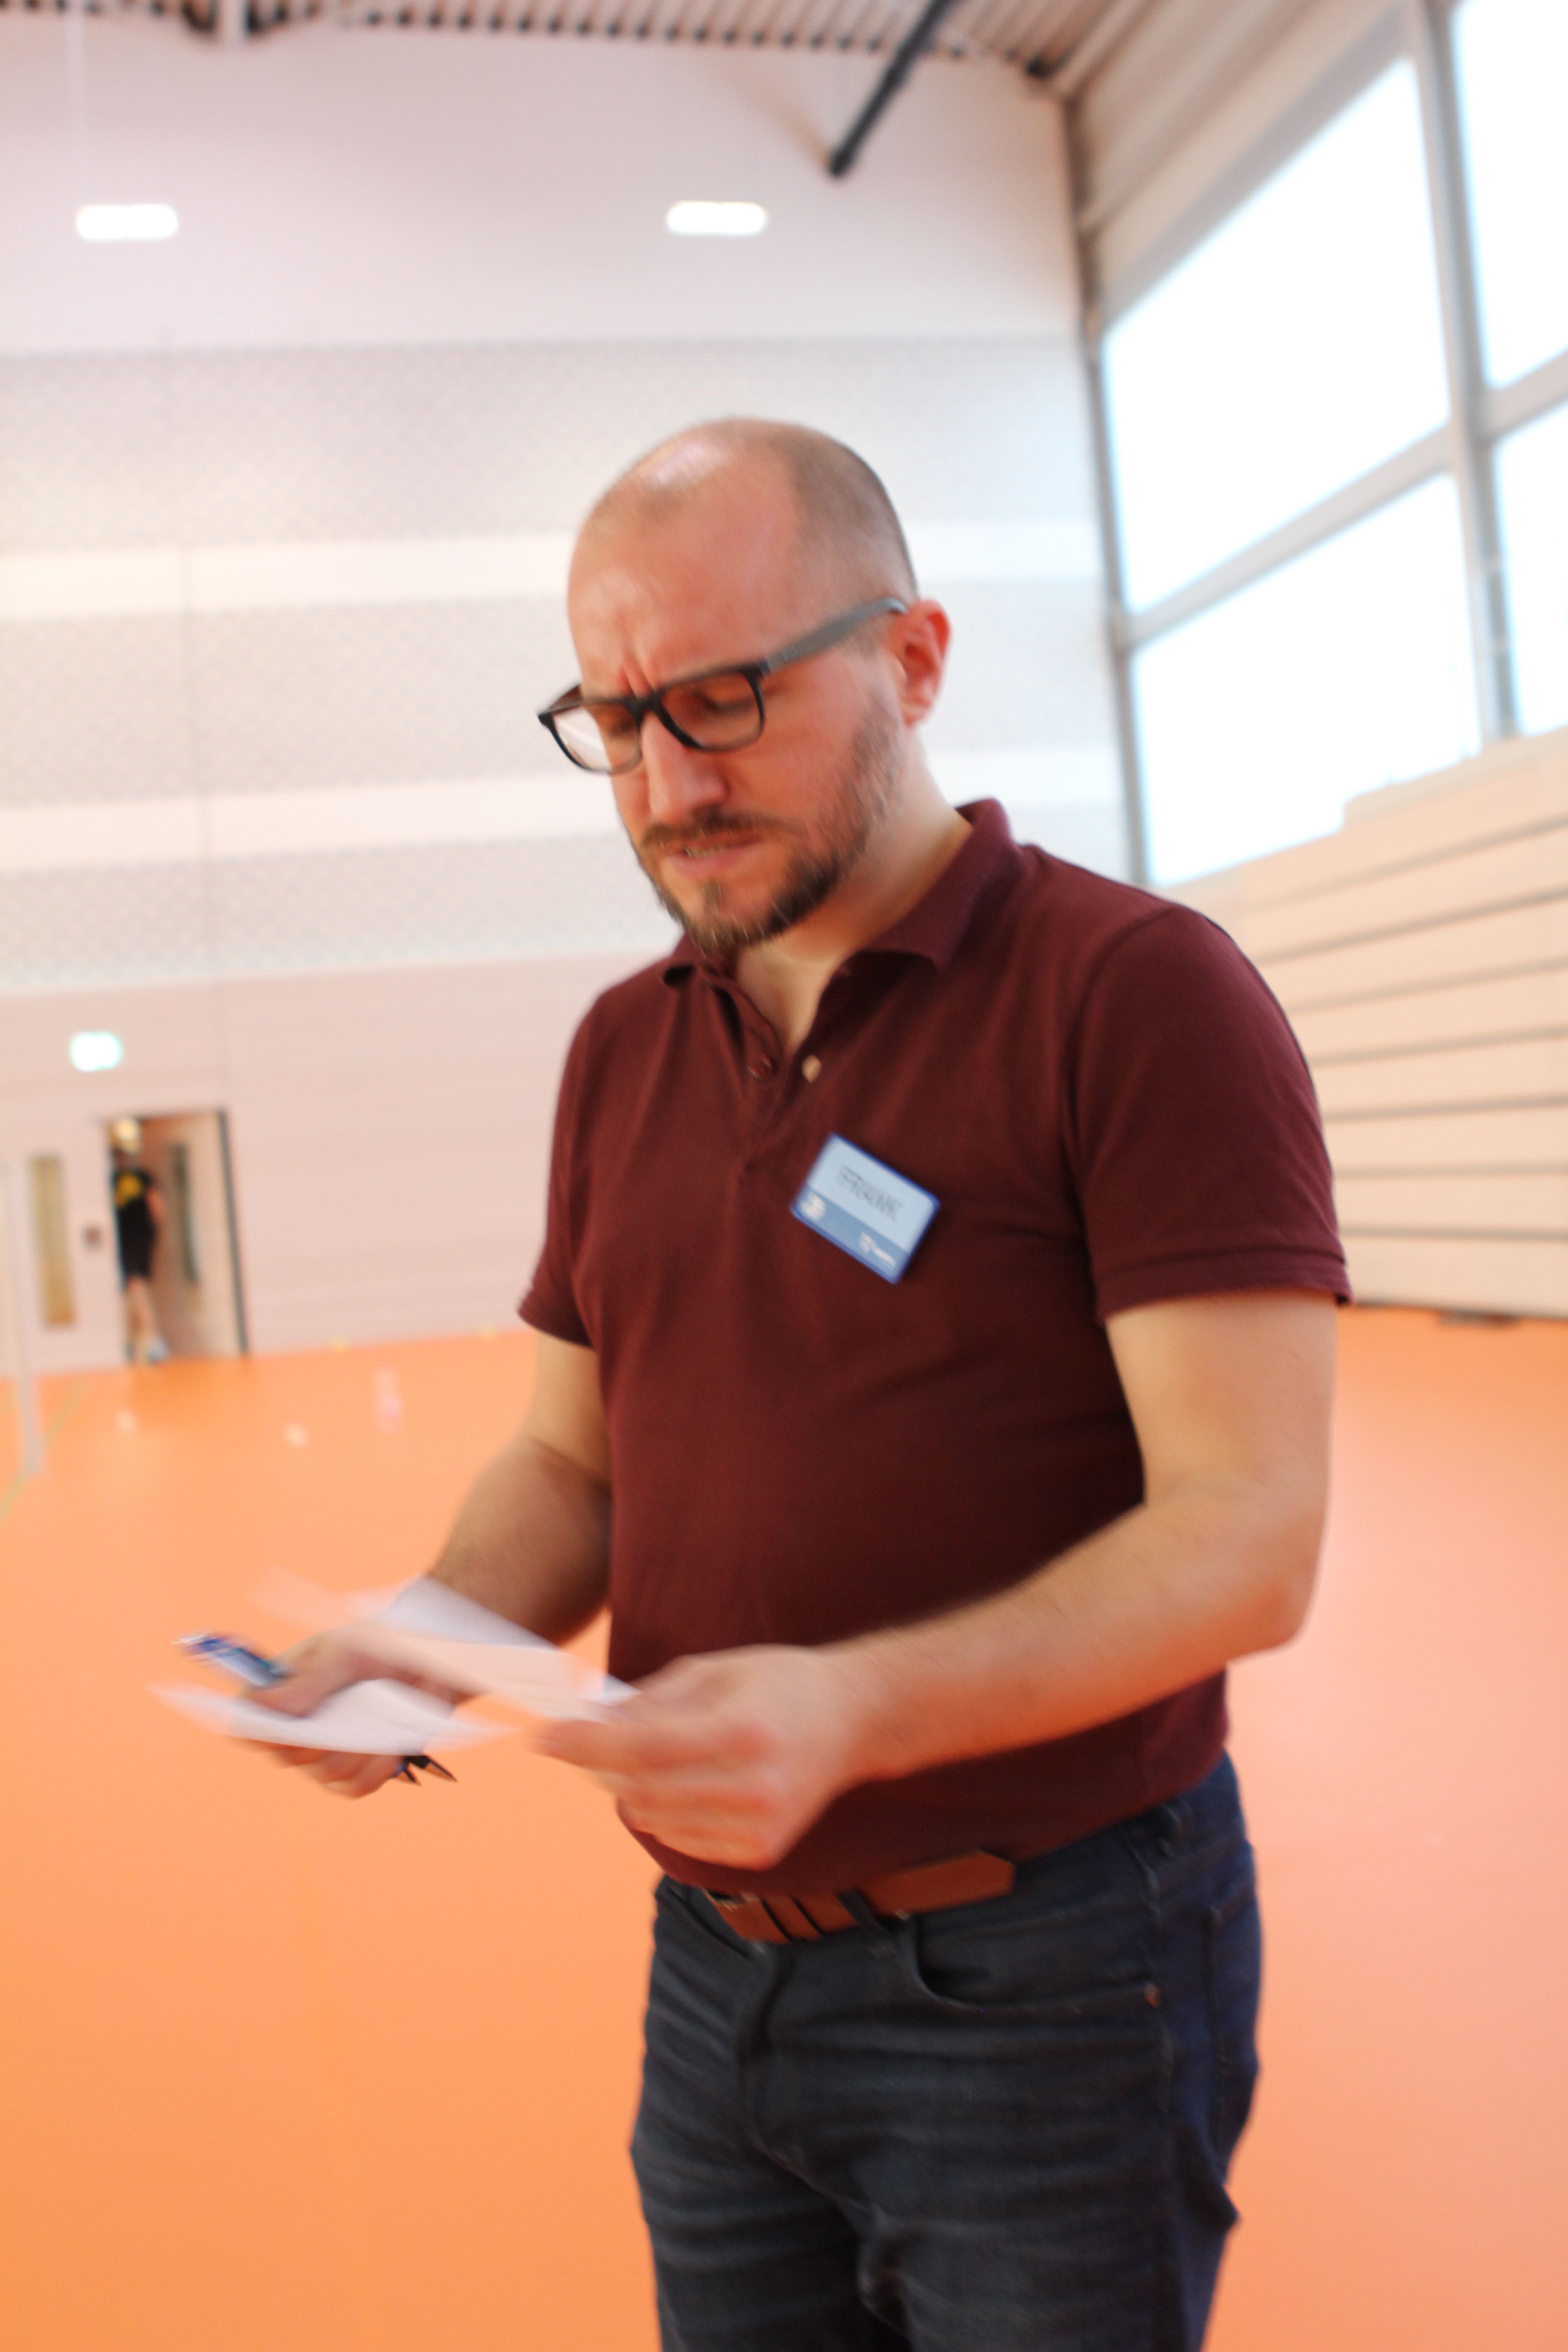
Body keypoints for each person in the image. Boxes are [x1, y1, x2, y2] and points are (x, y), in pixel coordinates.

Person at [259, 420, 1348, 2351]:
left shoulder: (1132, 993)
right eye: (616, 719)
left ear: (912, 658)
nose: (670, 781)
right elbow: (571, 1463)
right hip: (712, 1974)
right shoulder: (622, 1048)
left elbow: (1246, 1530)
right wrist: (429, 1636)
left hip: (1051, 1970)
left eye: (724, 697)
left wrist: (855, 1707)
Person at [109, 1117, 168, 1365]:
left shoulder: (122, 1179)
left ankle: (149, 1341)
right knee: (132, 1290)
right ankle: (138, 1343)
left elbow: (157, 1208)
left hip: (131, 1240)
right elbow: (159, 1210)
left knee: (135, 1288)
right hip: (135, 1239)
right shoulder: (139, 1178)